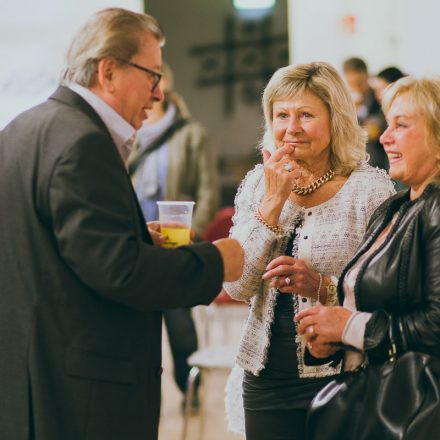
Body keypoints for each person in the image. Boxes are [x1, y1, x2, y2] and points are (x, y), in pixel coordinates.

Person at [0, 8, 243, 440]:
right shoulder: (83, 141)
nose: (158, 93)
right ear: (109, 71)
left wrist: (131, 236)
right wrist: (214, 261)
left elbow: (56, 247)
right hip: (83, 394)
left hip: (31, 378)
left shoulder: (22, 127)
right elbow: (122, 272)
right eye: (152, 76)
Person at [223, 61, 395, 440]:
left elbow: (389, 294)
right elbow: (238, 287)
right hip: (265, 379)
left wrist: (323, 287)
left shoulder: (369, 192)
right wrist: (271, 205)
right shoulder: (257, 185)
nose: (292, 128)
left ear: (335, 120)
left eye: (306, 115)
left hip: (347, 376)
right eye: (281, 115)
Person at [296, 76, 440, 430]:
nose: (385, 137)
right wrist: (332, 336)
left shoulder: (435, 209)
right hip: (374, 399)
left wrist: (348, 326)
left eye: (401, 125)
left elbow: (436, 324)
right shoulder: (394, 207)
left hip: (415, 411)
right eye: (388, 124)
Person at [128, 62, 219, 408]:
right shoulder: (128, 132)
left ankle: (189, 391)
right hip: (136, 242)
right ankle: (141, 397)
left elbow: (208, 190)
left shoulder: (190, 132)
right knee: (137, 323)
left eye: (157, 79)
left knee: (180, 326)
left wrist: (193, 230)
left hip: (177, 243)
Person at [343, 57, 388, 171]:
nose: (356, 88)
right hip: (352, 166)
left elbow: (375, 131)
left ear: (367, 76)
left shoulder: (379, 99)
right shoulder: (344, 103)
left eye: (359, 83)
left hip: (378, 164)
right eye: (352, 84)